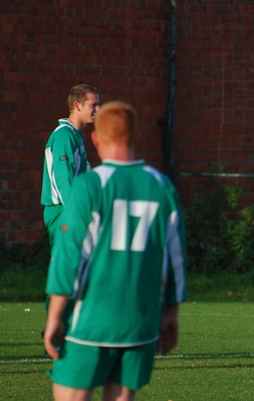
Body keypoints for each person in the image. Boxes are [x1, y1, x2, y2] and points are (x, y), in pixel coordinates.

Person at [44, 101, 188, 400]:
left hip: (91, 320)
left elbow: (69, 256)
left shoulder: (89, 185)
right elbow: (175, 257)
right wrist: (171, 312)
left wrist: (55, 314)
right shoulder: (162, 186)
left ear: (95, 139)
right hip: (141, 321)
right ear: (135, 137)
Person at [40, 83, 100, 355]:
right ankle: (56, 334)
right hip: (64, 212)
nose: (97, 110)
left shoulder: (76, 136)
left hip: (73, 211)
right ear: (77, 106)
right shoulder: (64, 135)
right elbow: (63, 182)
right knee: (65, 271)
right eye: (93, 105)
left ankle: (67, 332)